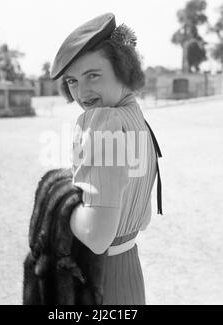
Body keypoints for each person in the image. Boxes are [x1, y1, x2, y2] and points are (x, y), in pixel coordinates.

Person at [50, 13, 162, 305]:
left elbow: (97, 237)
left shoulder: (102, 122)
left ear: (123, 69)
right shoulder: (137, 120)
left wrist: (55, 206)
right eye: (72, 81)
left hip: (96, 281)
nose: (82, 92)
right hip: (130, 273)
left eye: (93, 75)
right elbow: (145, 217)